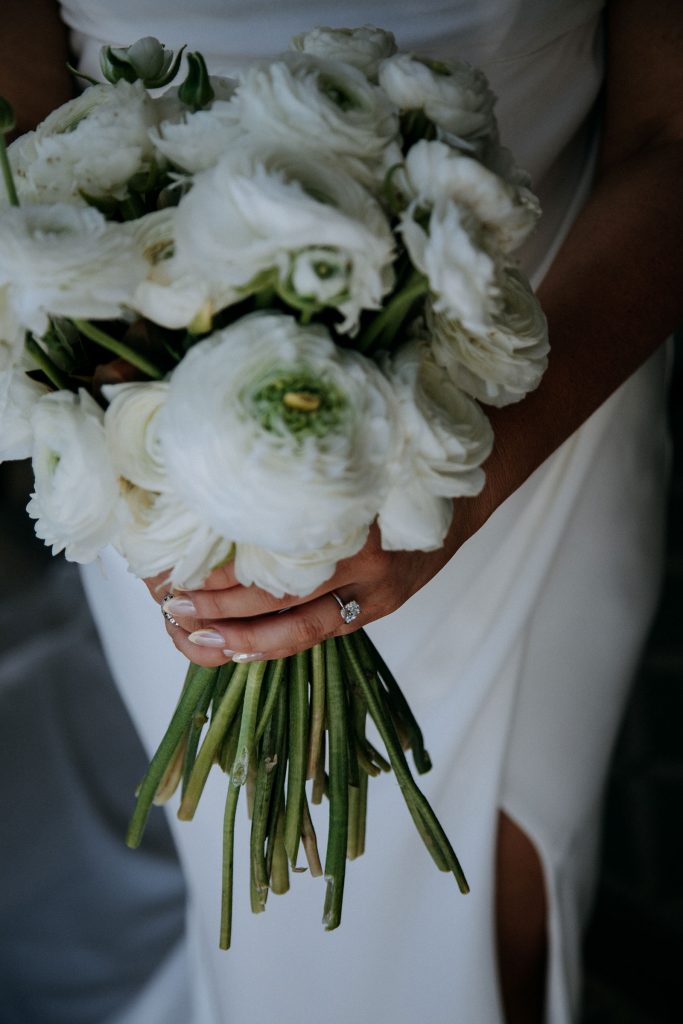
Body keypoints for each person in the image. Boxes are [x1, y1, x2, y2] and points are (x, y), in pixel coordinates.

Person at [4, 1, 683, 1022]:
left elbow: (666, 133)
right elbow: (19, 134)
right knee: (280, 956)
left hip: (553, 370)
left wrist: (465, 482)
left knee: (491, 925)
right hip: (155, 413)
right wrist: (164, 435)